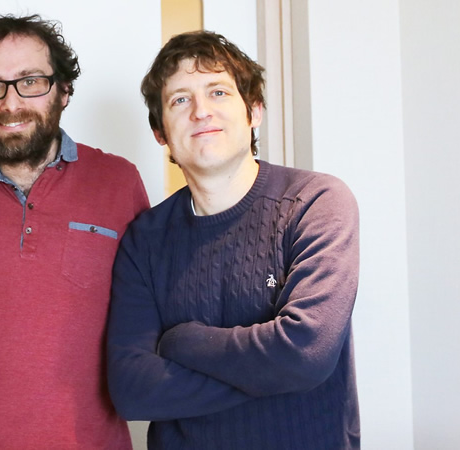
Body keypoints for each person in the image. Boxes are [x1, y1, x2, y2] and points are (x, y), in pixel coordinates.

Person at [107, 30, 361, 449]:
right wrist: (273, 373)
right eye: (180, 100)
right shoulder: (144, 239)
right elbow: (132, 390)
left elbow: (304, 354)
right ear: (161, 133)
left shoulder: (317, 203)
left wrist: (181, 340)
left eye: (219, 92)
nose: (201, 112)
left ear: (254, 111)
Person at [0, 14, 149, 449]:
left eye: (31, 81)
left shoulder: (119, 181)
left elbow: (155, 314)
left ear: (64, 91)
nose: (11, 102)